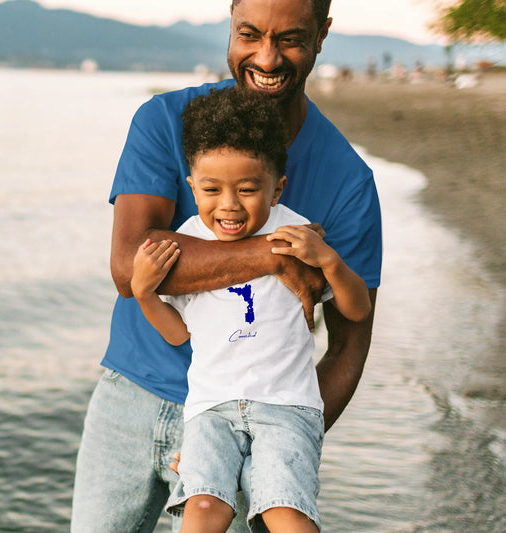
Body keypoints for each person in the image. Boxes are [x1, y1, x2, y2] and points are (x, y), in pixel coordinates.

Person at [71, 0, 382, 531]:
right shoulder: (164, 121)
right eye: (250, 34)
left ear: (322, 34)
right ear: (231, 26)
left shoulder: (348, 180)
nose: (267, 56)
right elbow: (129, 268)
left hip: (254, 419)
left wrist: (281, 444)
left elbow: (351, 338)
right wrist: (271, 256)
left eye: (289, 38)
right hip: (130, 397)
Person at [131, 87, 372, 533]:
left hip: (286, 406)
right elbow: (178, 334)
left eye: (246, 189)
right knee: (203, 510)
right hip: (211, 409)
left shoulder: (298, 235)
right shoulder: (185, 242)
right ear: (192, 186)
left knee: (286, 512)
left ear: (276, 187)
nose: (228, 204)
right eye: (211, 189)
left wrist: (330, 262)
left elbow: (356, 311)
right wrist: (145, 294)